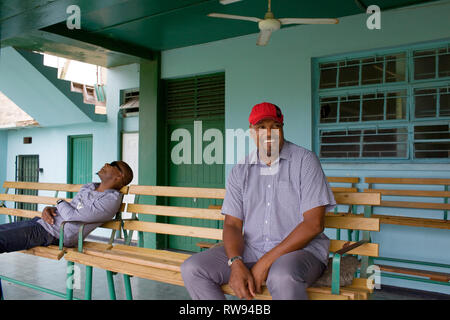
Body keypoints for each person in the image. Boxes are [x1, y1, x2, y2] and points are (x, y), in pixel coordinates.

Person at [181, 102, 336, 300]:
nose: (268, 133)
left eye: (275, 126)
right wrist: (236, 262)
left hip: (300, 252)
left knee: (281, 276)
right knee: (193, 268)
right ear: (252, 132)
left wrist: (265, 262)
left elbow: (314, 224)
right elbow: (232, 224)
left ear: (282, 129)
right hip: (251, 250)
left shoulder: (305, 161)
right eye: (261, 127)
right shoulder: (241, 170)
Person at [0, 161, 133, 253]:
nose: (106, 164)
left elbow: (72, 216)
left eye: (113, 165)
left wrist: (59, 202)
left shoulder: (110, 201)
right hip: (42, 224)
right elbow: (72, 209)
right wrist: (49, 209)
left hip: (55, 234)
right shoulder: (89, 187)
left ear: (120, 176)